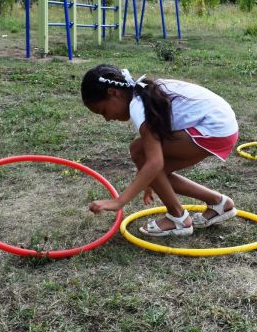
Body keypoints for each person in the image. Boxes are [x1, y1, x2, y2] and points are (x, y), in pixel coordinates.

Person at [81, 64, 239, 236]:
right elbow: (155, 165)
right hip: (223, 125)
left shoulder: (138, 106)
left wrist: (119, 202)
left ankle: (177, 218)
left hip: (213, 130)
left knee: (139, 152)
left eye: (103, 111)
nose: (107, 119)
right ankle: (219, 204)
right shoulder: (143, 91)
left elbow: (154, 162)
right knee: (148, 162)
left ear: (113, 93)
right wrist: (152, 180)